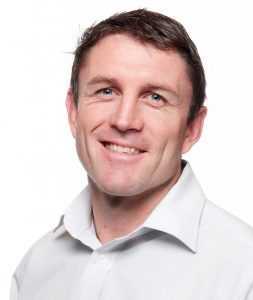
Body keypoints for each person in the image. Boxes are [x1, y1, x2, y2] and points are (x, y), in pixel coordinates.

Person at [10, 8, 253, 300]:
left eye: (155, 98)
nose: (124, 121)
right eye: (106, 91)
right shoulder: (37, 267)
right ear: (73, 111)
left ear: (191, 128)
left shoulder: (243, 271)